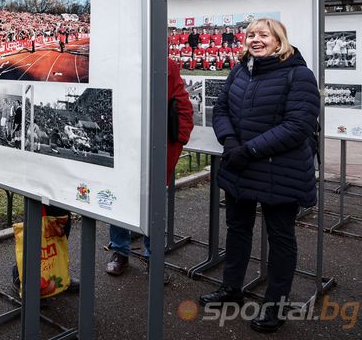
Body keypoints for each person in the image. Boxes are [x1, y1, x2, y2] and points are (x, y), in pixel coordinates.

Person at [198, 18, 320, 334]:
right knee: (237, 229)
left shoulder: (299, 75)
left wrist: (248, 150)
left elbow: (297, 126)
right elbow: (221, 109)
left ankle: (275, 305)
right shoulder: (240, 70)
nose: (255, 39)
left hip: (280, 172)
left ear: (279, 40)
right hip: (241, 167)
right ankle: (231, 289)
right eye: (251, 34)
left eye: (263, 35)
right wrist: (230, 141)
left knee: (280, 239)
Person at [106, 59, 194, 279]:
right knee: (119, 199)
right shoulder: (113, 61)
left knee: (153, 204)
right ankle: (120, 251)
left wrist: (178, 141)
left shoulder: (168, 66)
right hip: (124, 147)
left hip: (155, 148)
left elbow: (182, 105)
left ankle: (153, 256)